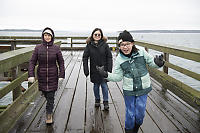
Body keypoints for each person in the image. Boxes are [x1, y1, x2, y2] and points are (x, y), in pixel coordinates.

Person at [96, 30, 164, 133]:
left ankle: (135, 129)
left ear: (132, 43)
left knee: (140, 114)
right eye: (122, 45)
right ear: (119, 46)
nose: (125, 47)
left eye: (127, 44)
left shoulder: (141, 52)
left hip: (143, 88)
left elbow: (151, 62)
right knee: (130, 114)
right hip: (129, 90)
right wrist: (106, 74)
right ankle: (128, 131)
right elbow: (118, 77)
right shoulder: (119, 59)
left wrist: (158, 63)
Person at [28, 27, 65, 124]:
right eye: (45, 35)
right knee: (45, 93)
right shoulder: (38, 48)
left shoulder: (56, 48)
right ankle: (49, 106)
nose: (47, 37)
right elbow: (32, 62)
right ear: (43, 36)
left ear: (52, 37)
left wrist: (61, 75)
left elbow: (61, 62)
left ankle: (49, 115)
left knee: (50, 97)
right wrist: (31, 74)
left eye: (49, 35)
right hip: (42, 76)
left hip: (53, 75)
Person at [82, 28, 113, 110]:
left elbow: (109, 57)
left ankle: (106, 102)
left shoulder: (105, 45)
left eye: (99, 34)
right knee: (96, 86)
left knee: (104, 85)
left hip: (104, 69)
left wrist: (109, 70)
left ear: (101, 36)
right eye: (95, 34)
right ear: (92, 35)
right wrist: (86, 69)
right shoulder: (89, 45)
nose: (97, 36)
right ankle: (97, 100)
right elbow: (85, 57)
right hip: (94, 69)